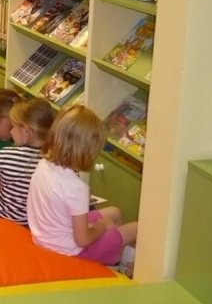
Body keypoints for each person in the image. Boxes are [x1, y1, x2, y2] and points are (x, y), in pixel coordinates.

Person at [27, 105, 138, 267]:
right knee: (136, 228)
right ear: (85, 151)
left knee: (115, 212)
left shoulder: (43, 164)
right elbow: (83, 240)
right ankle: (117, 262)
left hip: (45, 238)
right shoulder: (76, 187)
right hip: (71, 251)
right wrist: (101, 226)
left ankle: (114, 255)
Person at [0, 97, 56, 226]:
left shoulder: (4, 155)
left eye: (13, 127)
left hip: (2, 220)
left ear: (26, 130)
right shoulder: (53, 162)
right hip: (33, 226)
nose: (11, 131)